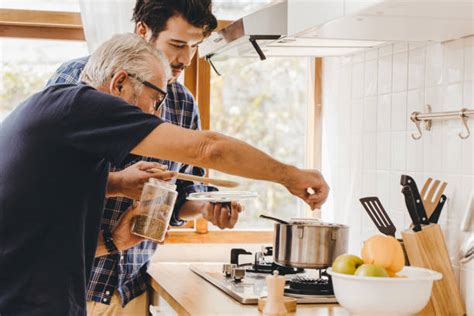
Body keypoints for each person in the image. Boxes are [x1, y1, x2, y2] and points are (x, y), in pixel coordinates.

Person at [0, 33, 328, 316]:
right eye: (156, 99)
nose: (157, 114)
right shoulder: (81, 104)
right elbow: (208, 149)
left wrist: (115, 207)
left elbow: (44, 234)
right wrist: (291, 175)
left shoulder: (60, 119)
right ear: (119, 82)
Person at [46, 1, 242, 313]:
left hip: (129, 287)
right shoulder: (80, 80)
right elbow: (50, 181)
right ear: (142, 31)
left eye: (195, 46)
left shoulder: (183, 104)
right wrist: (121, 182)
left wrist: (205, 207)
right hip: (71, 283)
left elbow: (183, 193)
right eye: (177, 44)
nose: (186, 59)